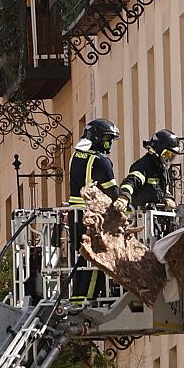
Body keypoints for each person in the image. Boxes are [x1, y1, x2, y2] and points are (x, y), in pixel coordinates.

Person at [68, 118, 120, 301]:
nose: (109, 143)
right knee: (95, 259)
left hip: (75, 216)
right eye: (107, 138)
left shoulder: (76, 156)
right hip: (92, 219)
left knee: (80, 258)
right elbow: (113, 192)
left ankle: (77, 297)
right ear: (97, 137)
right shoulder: (101, 161)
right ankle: (86, 300)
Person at [113, 129, 180, 212]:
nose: (169, 159)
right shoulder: (143, 166)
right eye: (167, 154)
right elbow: (130, 182)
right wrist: (123, 198)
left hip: (156, 215)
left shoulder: (162, 169)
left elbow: (164, 190)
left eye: (172, 156)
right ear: (157, 150)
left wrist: (168, 199)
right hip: (140, 215)